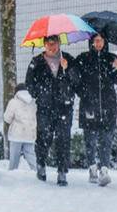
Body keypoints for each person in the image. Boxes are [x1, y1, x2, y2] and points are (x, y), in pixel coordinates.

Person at [25, 35, 80, 186]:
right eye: (48, 44)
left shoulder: (68, 59)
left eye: (54, 43)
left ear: (59, 43)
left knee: (63, 139)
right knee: (43, 137)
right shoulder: (36, 62)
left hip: (64, 107)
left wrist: (67, 69)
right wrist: (39, 94)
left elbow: (77, 81)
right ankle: (41, 165)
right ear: (44, 45)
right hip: (45, 107)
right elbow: (29, 83)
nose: (51, 47)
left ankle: (62, 172)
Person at [74, 31, 117, 187]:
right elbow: (75, 79)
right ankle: (92, 168)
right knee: (90, 140)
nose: (98, 43)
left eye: (101, 40)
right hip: (89, 105)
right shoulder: (83, 58)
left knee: (106, 140)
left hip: (108, 106)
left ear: (105, 42)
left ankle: (104, 169)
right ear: (91, 42)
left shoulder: (111, 58)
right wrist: (84, 94)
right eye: (95, 40)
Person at [3, 83, 38, 171]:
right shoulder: (33, 101)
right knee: (32, 157)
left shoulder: (13, 102)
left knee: (14, 160)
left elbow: (7, 118)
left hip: (16, 135)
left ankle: (11, 177)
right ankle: (38, 173)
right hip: (30, 134)